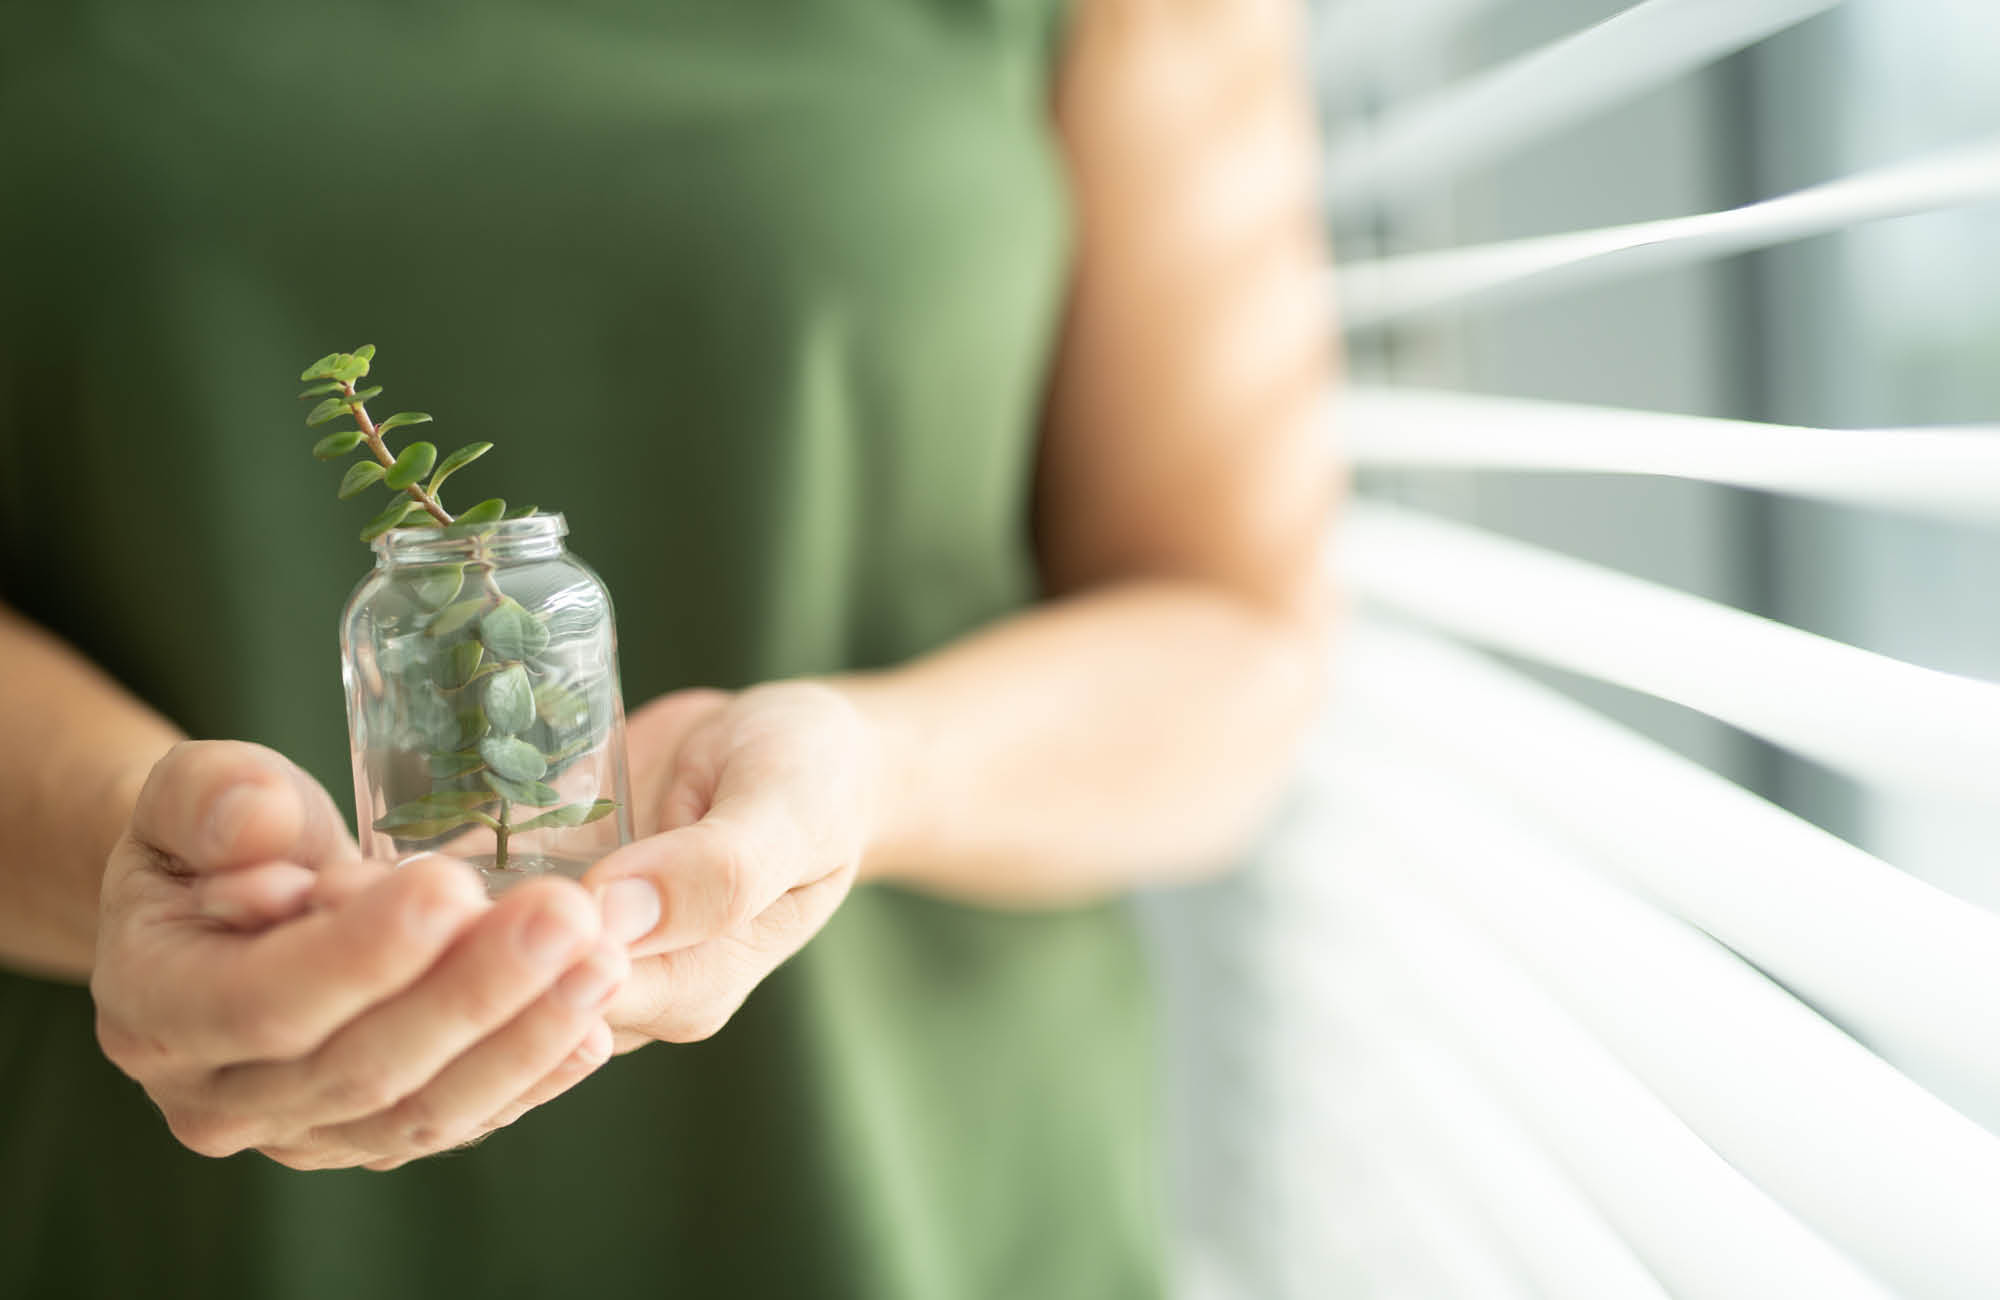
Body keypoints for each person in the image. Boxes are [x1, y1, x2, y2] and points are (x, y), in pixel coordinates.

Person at [0, 0, 1334, 1294]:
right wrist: (129, 838)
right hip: (148, 1218)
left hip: (905, 1206)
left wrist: (870, 771)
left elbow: (1236, 645)